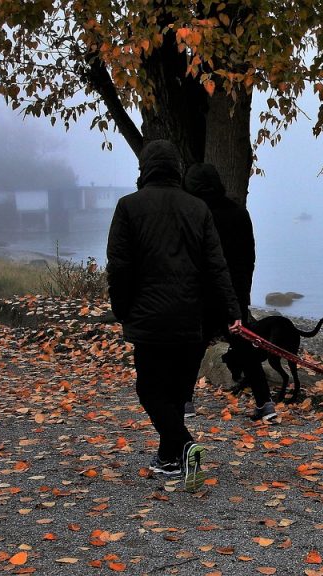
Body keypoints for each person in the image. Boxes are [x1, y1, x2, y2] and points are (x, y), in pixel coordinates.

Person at [106, 140, 242, 491]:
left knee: (150, 389)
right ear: (177, 169)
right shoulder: (197, 208)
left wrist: (122, 309)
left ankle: (184, 447)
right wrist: (232, 311)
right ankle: (168, 459)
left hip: (149, 318)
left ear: (145, 168)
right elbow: (216, 266)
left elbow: (119, 267)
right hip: (190, 318)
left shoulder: (128, 207)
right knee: (177, 392)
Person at [182, 163, 274, 422]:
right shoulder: (238, 213)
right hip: (233, 294)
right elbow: (248, 258)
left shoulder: (194, 213)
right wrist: (242, 296)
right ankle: (265, 402)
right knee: (243, 347)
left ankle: (185, 402)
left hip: (202, 294)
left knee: (194, 347)